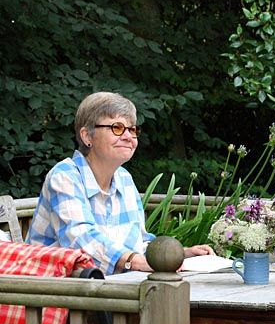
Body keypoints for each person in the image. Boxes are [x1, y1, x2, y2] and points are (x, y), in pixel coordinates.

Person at [27, 92, 212, 274]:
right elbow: (81, 240)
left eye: (132, 129)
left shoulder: (124, 179)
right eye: (117, 128)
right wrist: (135, 261)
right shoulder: (64, 176)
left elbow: (138, 243)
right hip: (55, 292)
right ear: (87, 136)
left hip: (107, 291)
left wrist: (180, 256)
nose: (128, 136)